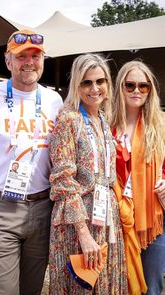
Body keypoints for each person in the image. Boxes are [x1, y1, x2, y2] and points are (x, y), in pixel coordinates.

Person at [0, 29, 63, 295]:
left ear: (43, 60)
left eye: (35, 55)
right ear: (8, 61)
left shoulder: (54, 100)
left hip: (42, 209)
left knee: (32, 290)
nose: (29, 61)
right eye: (21, 56)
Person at [48, 53, 128, 294]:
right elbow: (63, 180)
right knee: (81, 285)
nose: (95, 88)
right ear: (76, 85)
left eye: (100, 81)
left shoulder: (103, 118)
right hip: (77, 220)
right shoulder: (69, 119)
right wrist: (83, 233)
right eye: (86, 82)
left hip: (106, 217)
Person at [111, 60, 165, 295]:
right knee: (120, 284)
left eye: (143, 86)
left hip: (154, 218)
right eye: (130, 85)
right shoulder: (106, 124)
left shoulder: (161, 125)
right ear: (120, 87)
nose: (136, 91)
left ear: (150, 90)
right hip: (116, 219)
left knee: (152, 287)